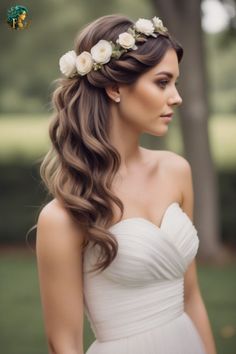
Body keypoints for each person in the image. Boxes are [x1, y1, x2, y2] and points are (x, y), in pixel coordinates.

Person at [36, 14, 217, 354]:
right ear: (115, 88)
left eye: (175, 83)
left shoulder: (176, 170)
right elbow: (63, 343)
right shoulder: (65, 214)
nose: (176, 97)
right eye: (163, 82)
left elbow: (190, 296)